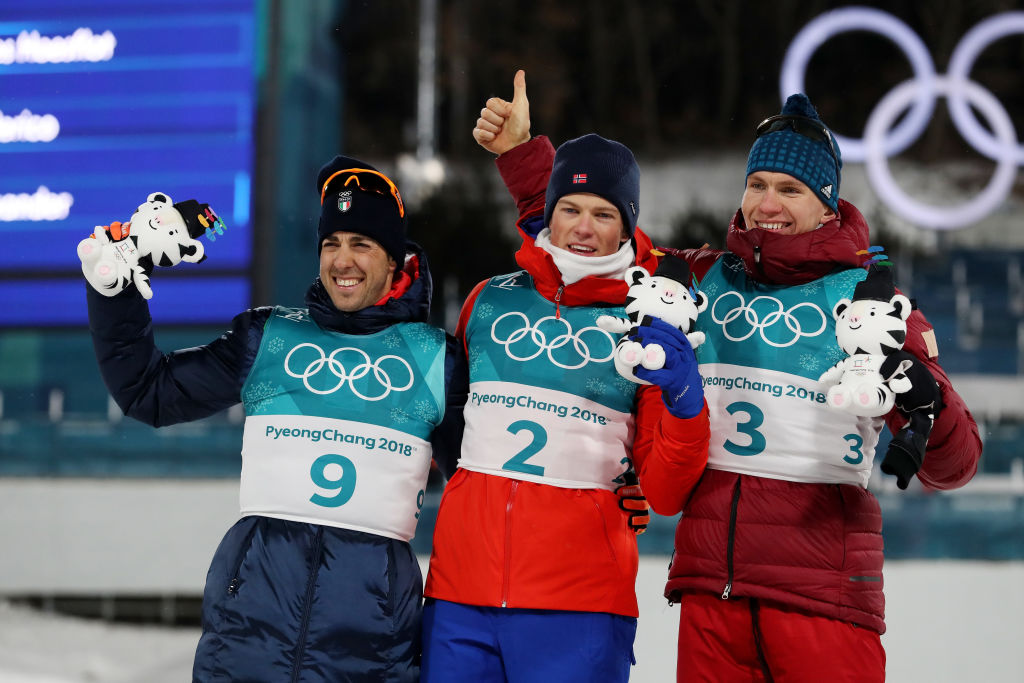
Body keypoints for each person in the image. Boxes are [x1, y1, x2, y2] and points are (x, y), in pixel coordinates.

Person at [497, 90, 982, 681]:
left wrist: (923, 392)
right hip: (713, 599)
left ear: (828, 205)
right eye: (758, 184)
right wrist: (524, 158)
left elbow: (954, 465)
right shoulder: (695, 278)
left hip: (823, 599)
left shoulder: (872, 302)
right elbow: (590, 240)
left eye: (790, 189)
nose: (767, 203)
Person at [84, 156, 466, 682]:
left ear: (396, 261)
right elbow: (148, 393)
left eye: (362, 245)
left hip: (369, 650)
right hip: (247, 639)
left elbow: (484, 487)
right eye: (331, 244)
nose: (342, 260)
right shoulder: (268, 336)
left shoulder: (436, 360)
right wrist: (116, 292)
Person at [419, 71, 710, 683]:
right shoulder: (487, 301)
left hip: (578, 603)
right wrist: (526, 159)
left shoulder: (647, 322)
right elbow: (452, 424)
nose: (583, 227)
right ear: (547, 214)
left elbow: (663, 489)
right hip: (458, 594)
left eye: (604, 213)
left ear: (628, 225)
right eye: (570, 208)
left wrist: (684, 401)